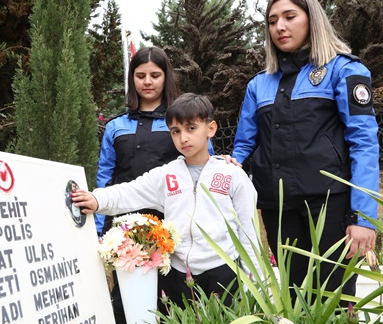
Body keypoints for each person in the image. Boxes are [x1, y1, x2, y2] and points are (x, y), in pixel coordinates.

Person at [231, 0, 379, 301]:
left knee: (335, 303)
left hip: (331, 207)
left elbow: (364, 144)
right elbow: (244, 146)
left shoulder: (343, 70)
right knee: (295, 300)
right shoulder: (259, 84)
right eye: (272, 21)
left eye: (289, 17)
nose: (279, 27)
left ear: (312, 19)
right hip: (278, 210)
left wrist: (364, 218)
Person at [74, 93, 261, 310]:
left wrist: (255, 284)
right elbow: (129, 192)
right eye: (175, 131)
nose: (183, 138)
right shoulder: (166, 175)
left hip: (224, 272)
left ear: (210, 129)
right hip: (179, 276)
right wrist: (97, 199)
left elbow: (248, 234)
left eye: (191, 128)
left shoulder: (232, 175)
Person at [95, 46, 182, 324]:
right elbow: (105, 177)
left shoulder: (178, 121)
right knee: (125, 297)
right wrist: (98, 228)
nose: (148, 81)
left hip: (169, 224)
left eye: (155, 75)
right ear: (132, 79)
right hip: (124, 227)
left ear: (165, 77)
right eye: (140, 75)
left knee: (171, 296)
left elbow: (199, 165)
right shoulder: (116, 126)